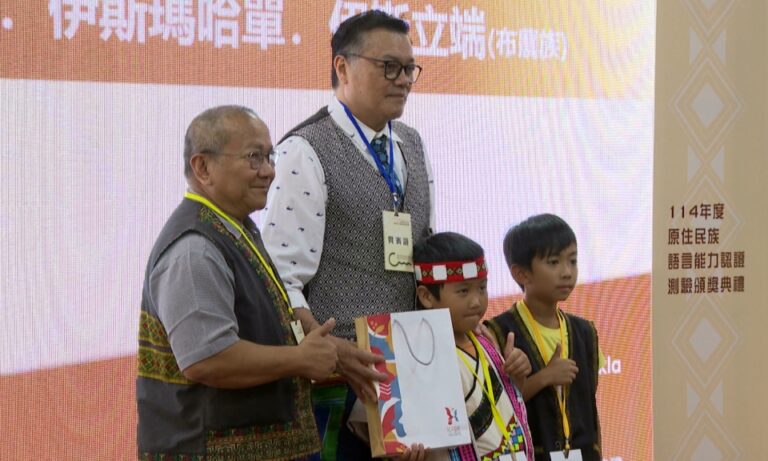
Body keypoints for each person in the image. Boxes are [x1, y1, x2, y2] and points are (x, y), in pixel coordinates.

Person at [261, 9, 434, 460]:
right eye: (389, 67)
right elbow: (280, 282)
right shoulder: (303, 151)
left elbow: (424, 249)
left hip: (407, 382)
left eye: (409, 69)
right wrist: (335, 352)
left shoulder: (412, 145)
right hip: (334, 393)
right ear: (343, 67)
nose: (403, 80)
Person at [136, 105, 338, 460]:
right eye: (254, 157)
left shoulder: (235, 227)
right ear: (203, 167)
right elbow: (208, 358)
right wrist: (299, 359)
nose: (269, 171)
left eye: (270, 156)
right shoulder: (194, 249)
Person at [485, 214, 603, 461]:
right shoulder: (497, 333)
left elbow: (589, 411)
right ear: (521, 274)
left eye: (572, 261)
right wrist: (544, 377)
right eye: (554, 262)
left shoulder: (585, 332)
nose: (567, 272)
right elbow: (494, 412)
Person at [413, 232, 534, 461]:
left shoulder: (485, 340)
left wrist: (516, 376)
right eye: (463, 291)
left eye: (482, 287)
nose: (476, 301)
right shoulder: (425, 358)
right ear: (427, 296)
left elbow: (504, 404)